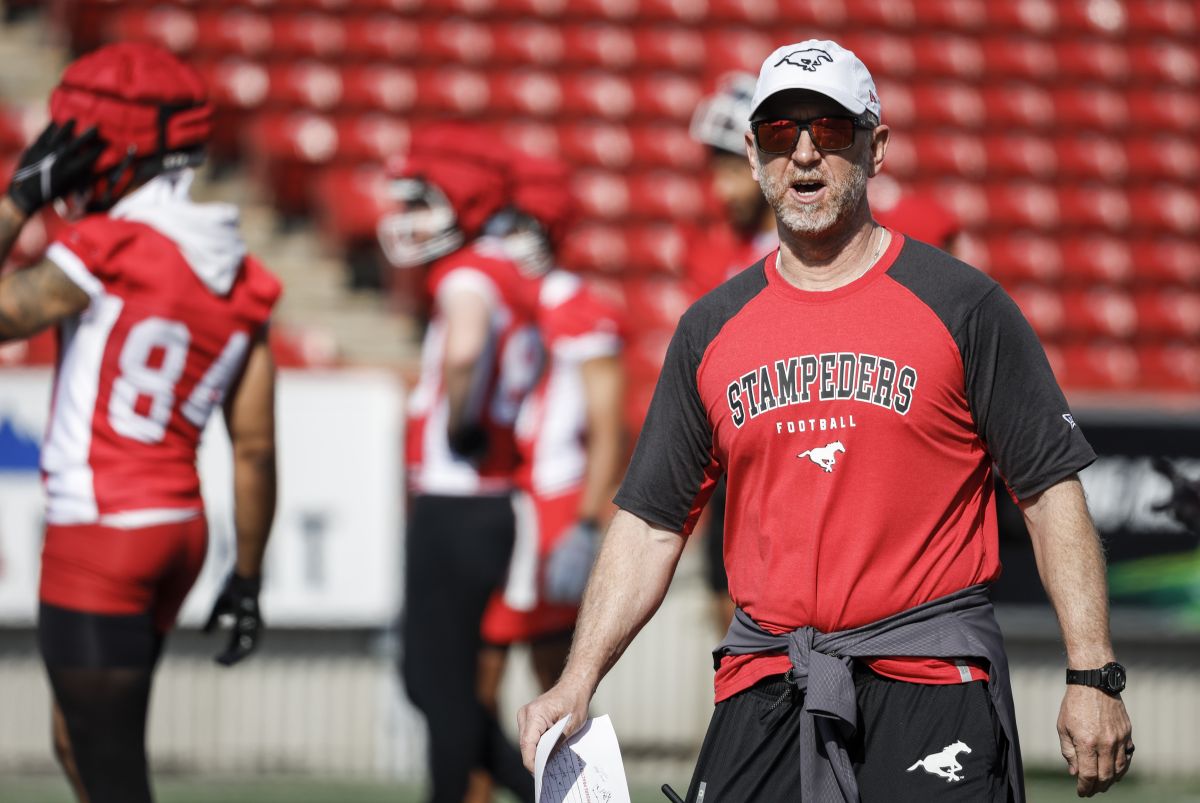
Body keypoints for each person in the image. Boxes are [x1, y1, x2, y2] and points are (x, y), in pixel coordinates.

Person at [518, 39, 1133, 802]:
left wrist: (1092, 672)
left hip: (932, 677)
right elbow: (650, 523)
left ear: (875, 147)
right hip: (770, 678)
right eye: (781, 133)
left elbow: (1050, 493)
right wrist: (577, 679)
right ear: (751, 152)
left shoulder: (964, 306)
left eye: (830, 131)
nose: (804, 155)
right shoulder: (710, 327)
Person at [0, 42, 279, 803]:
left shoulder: (108, 245)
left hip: (101, 532)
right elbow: (252, 448)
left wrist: (18, 201)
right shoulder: (243, 270)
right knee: (80, 743)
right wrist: (247, 575)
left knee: (115, 774)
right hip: (178, 527)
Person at [379, 125, 538, 803]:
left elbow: (467, 351)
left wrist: (458, 419)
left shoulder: (470, 273)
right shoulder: (506, 271)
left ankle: (548, 791)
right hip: (486, 502)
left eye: (422, 202)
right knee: (441, 684)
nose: (409, 219)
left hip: (459, 499)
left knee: (434, 683)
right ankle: (548, 791)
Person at [474, 152, 625, 749]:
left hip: (553, 502)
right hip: (499, 497)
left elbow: (606, 426)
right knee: (475, 677)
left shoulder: (579, 308)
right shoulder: (499, 294)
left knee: (555, 682)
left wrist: (587, 521)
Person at [687, 71, 781, 633]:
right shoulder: (731, 250)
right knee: (732, 624)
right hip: (733, 465)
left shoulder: (805, 256)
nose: (721, 188)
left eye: (730, 168)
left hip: (780, 459)